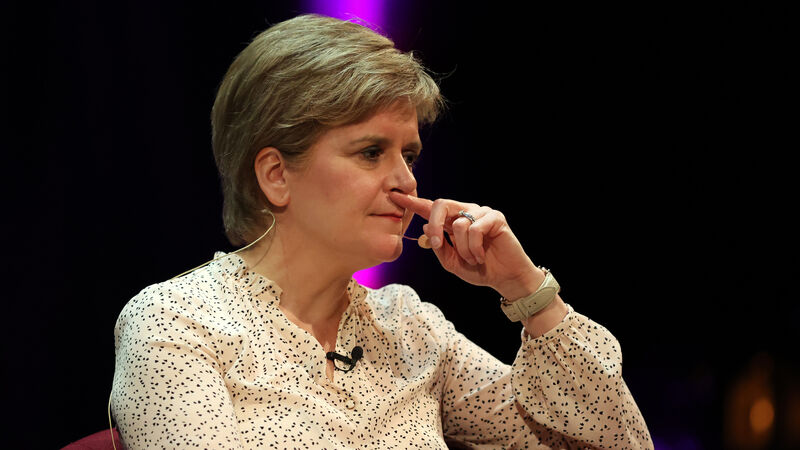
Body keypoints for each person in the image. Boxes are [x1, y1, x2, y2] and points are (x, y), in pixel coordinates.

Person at [111, 14, 654, 449]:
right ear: (276, 175)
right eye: (371, 152)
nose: (406, 181)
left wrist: (528, 293)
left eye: (409, 155)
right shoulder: (178, 325)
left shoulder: (409, 328)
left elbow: (611, 443)